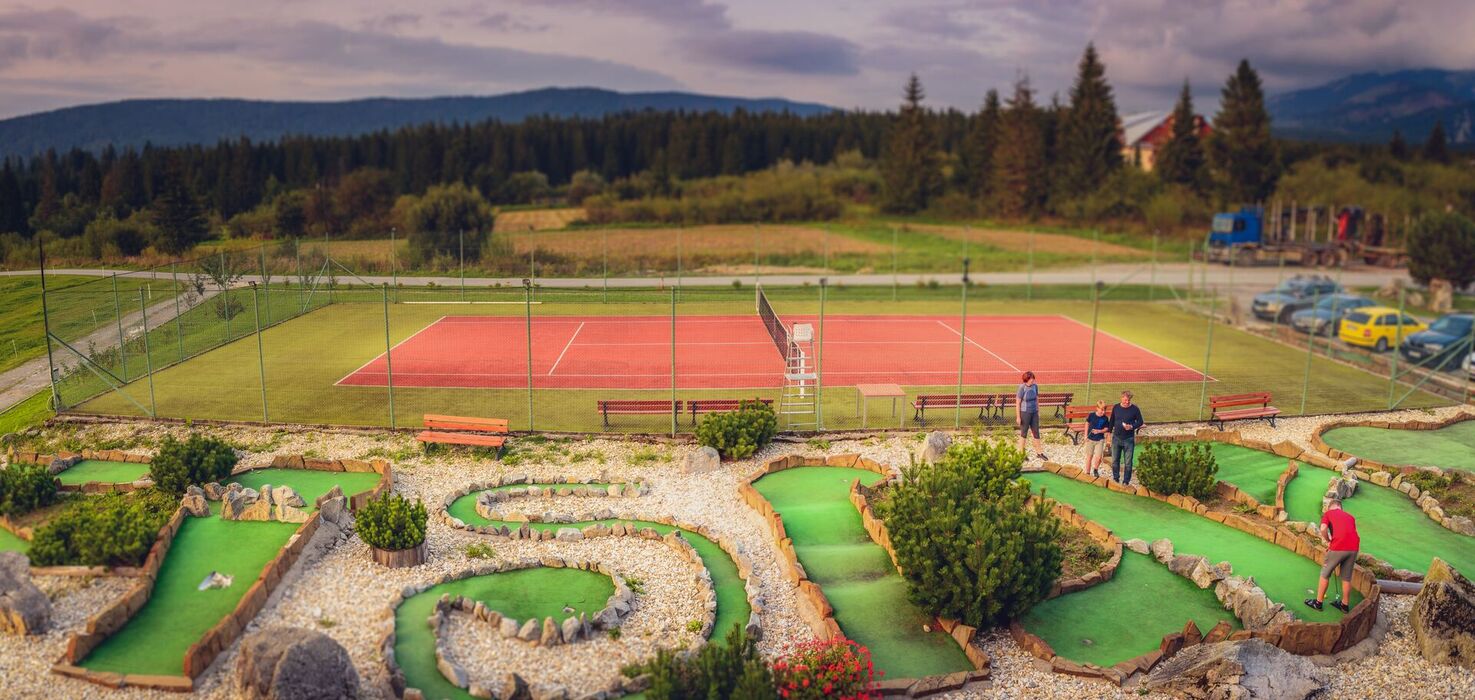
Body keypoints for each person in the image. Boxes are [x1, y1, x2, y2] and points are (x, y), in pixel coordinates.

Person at [1306, 498, 1359, 613]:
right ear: (1340, 508)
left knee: (1325, 573)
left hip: (1338, 546)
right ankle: (1344, 605)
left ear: (1330, 507)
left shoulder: (1328, 513)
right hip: (1354, 548)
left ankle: (1318, 603)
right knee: (1346, 577)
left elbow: (1323, 528)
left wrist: (1329, 541)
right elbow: (1348, 533)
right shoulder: (1351, 517)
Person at [1108, 390, 1143, 483]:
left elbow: (1140, 421)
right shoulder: (1116, 407)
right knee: (1115, 460)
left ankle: (1126, 481)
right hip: (1116, 438)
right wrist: (1109, 432)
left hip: (1129, 439)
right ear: (1121, 398)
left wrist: (1131, 426)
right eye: (1125, 400)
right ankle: (1116, 478)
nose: (1127, 402)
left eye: (1128, 400)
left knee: (1128, 462)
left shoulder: (1135, 409)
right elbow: (1112, 420)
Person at [1016, 371, 1046, 460]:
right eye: (1031, 379)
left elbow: (1037, 399)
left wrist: (1038, 411)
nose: (1033, 380)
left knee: (1036, 432)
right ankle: (1021, 454)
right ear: (1027, 379)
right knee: (1024, 433)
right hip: (1025, 413)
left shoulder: (1035, 386)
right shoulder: (1022, 388)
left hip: (1034, 412)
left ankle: (1039, 453)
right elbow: (1018, 403)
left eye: (1033, 379)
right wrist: (1018, 417)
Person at [1085, 400, 1112, 478]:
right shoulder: (1091, 415)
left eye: (1104, 410)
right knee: (1089, 457)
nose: (1103, 412)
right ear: (1097, 408)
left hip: (1100, 440)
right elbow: (1087, 423)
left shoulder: (1105, 418)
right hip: (1090, 439)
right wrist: (1085, 435)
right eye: (1101, 410)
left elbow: (1106, 428)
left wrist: (1099, 431)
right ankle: (1087, 473)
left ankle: (1095, 469)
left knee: (1099, 457)